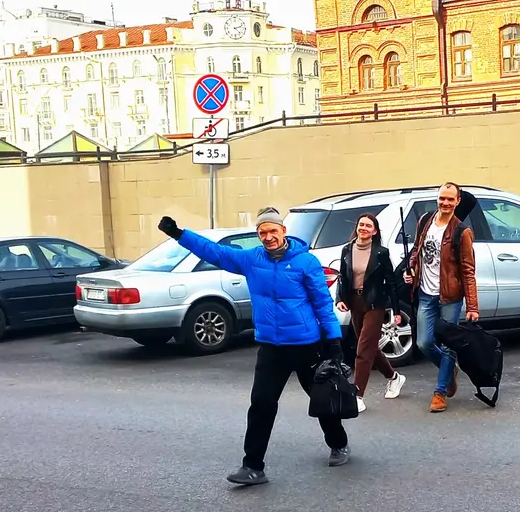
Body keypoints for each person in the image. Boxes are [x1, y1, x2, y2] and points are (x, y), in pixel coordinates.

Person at [157, 207, 350, 486]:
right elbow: (216, 253)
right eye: (262, 232)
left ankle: (338, 442)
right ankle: (253, 467)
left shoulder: (305, 262)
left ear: (283, 231)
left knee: (320, 400)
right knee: (261, 404)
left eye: (273, 231)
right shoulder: (251, 259)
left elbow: (322, 303)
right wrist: (179, 235)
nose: (268, 237)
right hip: (271, 347)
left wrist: (333, 343)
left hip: (307, 345)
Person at [403, 182, 479, 413]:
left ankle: (440, 392)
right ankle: (450, 370)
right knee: (424, 343)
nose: (445, 203)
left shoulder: (462, 232)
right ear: (437, 198)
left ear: (457, 202)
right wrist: (412, 269)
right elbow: (417, 250)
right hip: (426, 293)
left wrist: (472, 306)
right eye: (442, 198)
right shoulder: (425, 221)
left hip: (450, 296)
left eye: (450, 199)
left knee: (448, 346)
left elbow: (468, 270)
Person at [334, 213, 406, 412]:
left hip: (375, 303)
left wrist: (397, 311)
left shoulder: (381, 253)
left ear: (374, 231)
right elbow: (343, 277)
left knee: (363, 350)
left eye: (368, 226)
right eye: (361, 225)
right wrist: (340, 299)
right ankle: (394, 377)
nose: (364, 228)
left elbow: (391, 283)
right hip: (354, 302)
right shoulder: (347, 250)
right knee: (369, 347)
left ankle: (357, 395)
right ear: (357, 228)